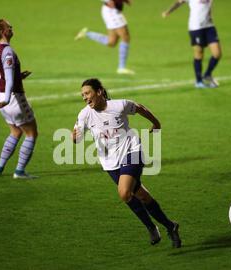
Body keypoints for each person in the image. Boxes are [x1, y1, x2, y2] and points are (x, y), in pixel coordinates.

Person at [72, 78, 182, 248]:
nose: (85, 98)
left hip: (132, 150)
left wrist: (156, 123)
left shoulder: (120, 105)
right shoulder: (85, 114)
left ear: (99, 91)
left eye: (87, 93)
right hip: (110, 162)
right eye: (82, 95)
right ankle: (170, 226)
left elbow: (140, 108)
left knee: (124, 192)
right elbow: (77, 137)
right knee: (141, 196)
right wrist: (75, 136)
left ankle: (151, 228)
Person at [0, 19, 38, 179]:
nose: (11, 28)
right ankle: (19, 171)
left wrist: (18, 76)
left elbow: (0, 74)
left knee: (15, 132)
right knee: (31, 134)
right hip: (12, 99)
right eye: (9, 26)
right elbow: (8, 79)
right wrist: (7, 99)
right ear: (3, 32)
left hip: (2, 96)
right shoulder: (7, 51)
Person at [162, 0, 222, 88]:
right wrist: (168, 12)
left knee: (217, 54)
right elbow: (179, 2)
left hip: (209, 26)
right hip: (196, 27)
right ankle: (198, 81)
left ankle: (207, 74)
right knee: (199, 53)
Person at [74, 0, 135, 75]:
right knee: (125, 37)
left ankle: (87, 34)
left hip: (112, 11)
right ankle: (121, 67)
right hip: (112, 11)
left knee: (112, 42)